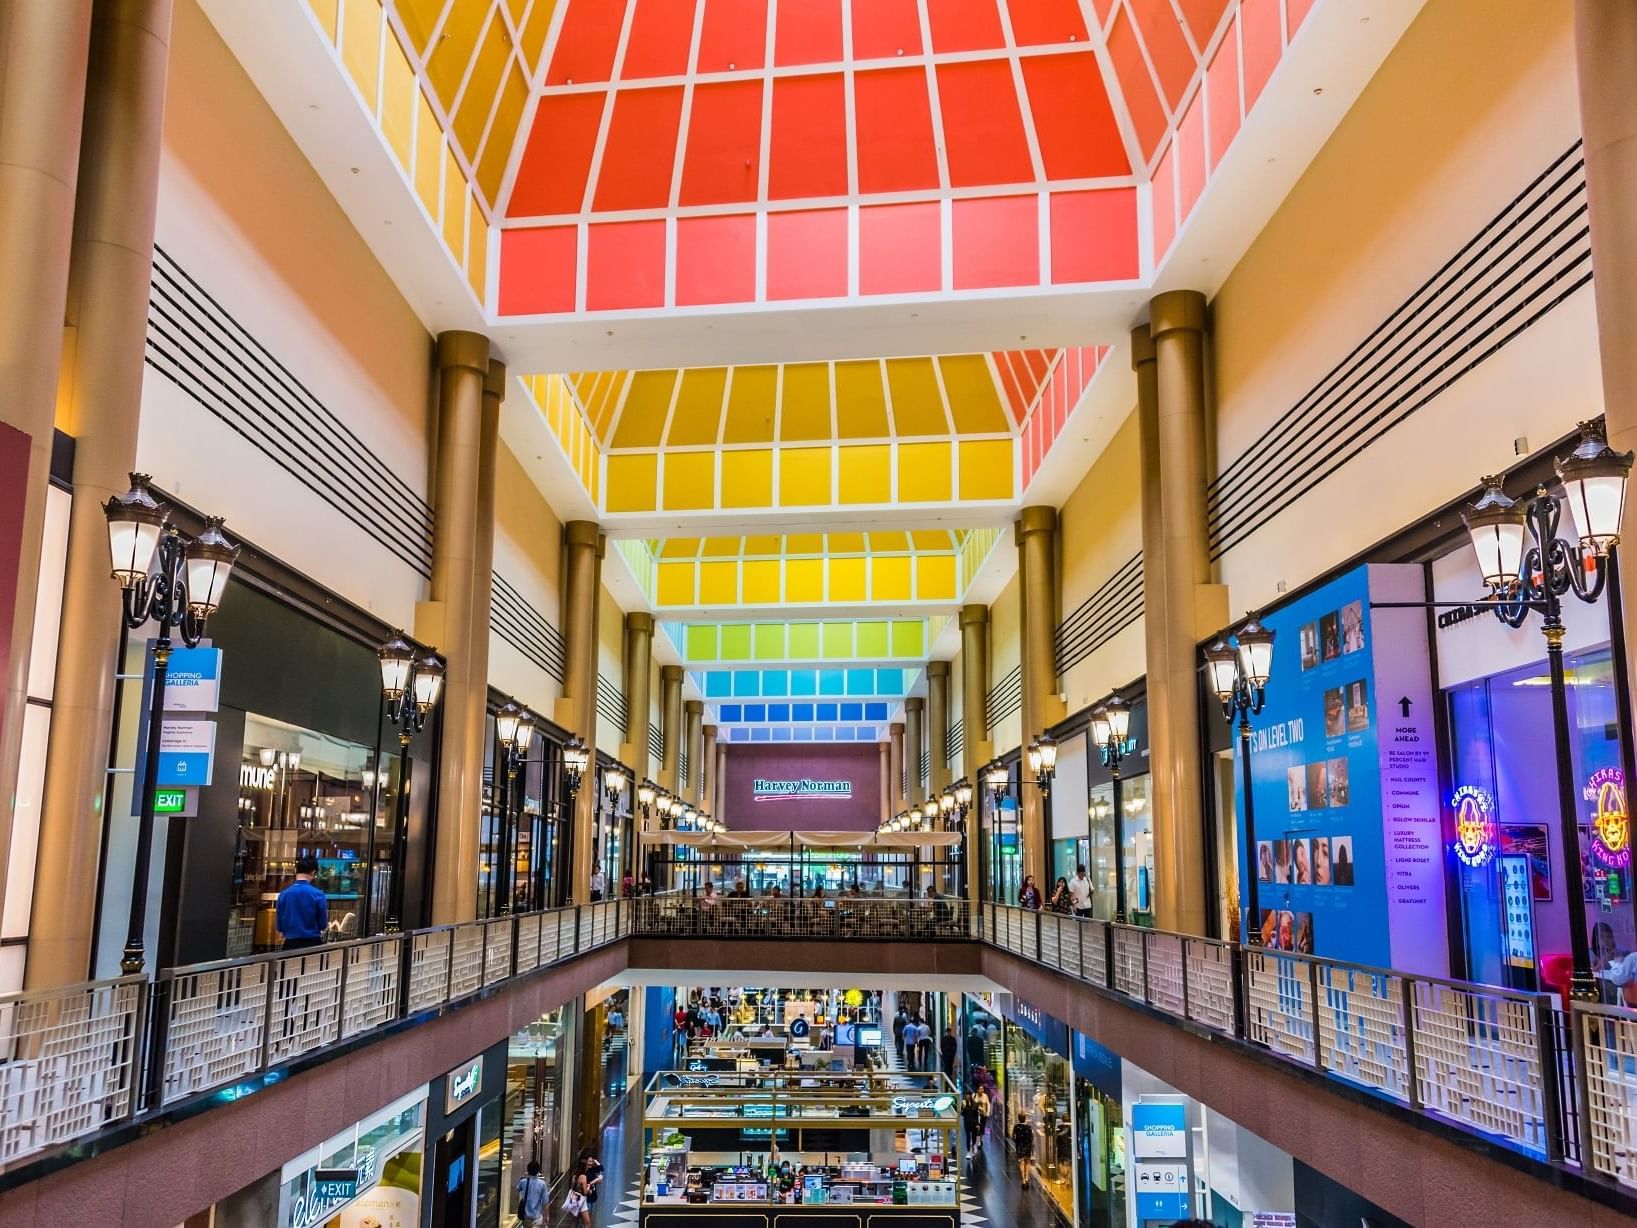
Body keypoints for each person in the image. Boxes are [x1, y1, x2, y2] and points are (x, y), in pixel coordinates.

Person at [275, 857, 328, 950]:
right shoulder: (318, 895)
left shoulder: (283, 895)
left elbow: (279, 926)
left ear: (296, 871)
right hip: (313, 943)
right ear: (313, 872)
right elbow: (323, 924)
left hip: (290, 944)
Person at [514, 1160, 548, 1228]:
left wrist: (525, 1176)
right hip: (537, 1217)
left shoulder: (523, 1182)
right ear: (538, 1171)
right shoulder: (542, 1184)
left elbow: (517, 1188)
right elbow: (545, 1203)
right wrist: (546, 1217)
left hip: (526, 1217)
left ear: (528, 1170)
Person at [1011, 1110, 1035, 1188]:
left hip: (1020, 1146)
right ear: (1025, 1118)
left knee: (1021, 1162)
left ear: (1019, 1118)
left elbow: (1013, 1137)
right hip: (1027, 1146)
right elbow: (1031, 1138)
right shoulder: (1029, 1127)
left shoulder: (1016, 1127)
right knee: (1027, 1162)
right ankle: (1027, 1178)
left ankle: (1023, 1180)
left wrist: (1017, 1142)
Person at [961, 1091, 984, 1161]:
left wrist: (977, 1124)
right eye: (966, 1095)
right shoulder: (963, 1104)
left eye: (968, 1095)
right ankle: (968, 1152)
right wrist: (963, 1107)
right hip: (967, 1122)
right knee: (968, 1136)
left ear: (970, 1096)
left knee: (973, 1136)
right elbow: (962, 1114)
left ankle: (974, 1145)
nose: (967, 1096)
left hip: (973, 1123)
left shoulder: (975, 1104)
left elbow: (976, 1116)